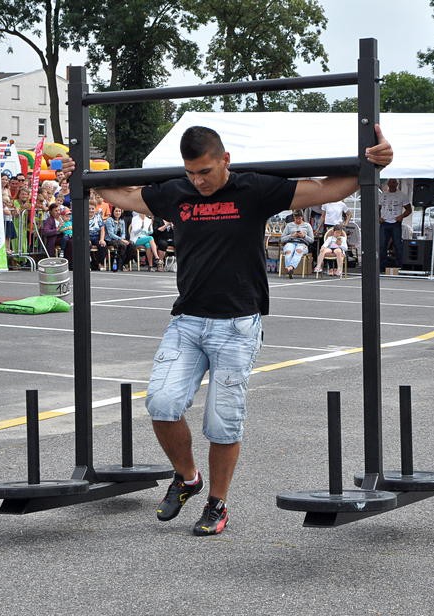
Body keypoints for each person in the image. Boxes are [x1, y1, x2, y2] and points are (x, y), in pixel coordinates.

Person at [92, 124, 393, 535]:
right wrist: (84, 173)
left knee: (222, 422)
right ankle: (188, 478)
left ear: (225, 161)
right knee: (161, 404)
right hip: (187, 321)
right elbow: (122, 194)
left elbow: (329, 189)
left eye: (205, 172)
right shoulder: (176, 193)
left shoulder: (255, 190)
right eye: (191, 173)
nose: (198, 181)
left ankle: (217, 504)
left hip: (237, 324)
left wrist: (371, 162)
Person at [379, 178, 411, 273]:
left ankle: (399, 266)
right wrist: (378, 218)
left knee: (397, 244)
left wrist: (401, 216)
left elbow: (409, 210)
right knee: (382, 245)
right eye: (390, 182)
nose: (392, 184)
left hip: (395, 223)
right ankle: (381, 266)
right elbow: (377, 208)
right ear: (388, 184)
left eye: (394, 182)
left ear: (397, 184)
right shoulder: (383, 195)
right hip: (384, 222)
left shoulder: (402, 195)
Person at [279, 210, 314, 278]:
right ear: (294, 217)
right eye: (296, 218)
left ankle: (290, 267)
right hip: (291, 242)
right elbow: (282, 239)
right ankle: (290, 269)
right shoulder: (289, 225)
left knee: (298, 250)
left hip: (302, 243)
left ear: (302, 217)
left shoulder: (307, 225)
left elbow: (312, 240)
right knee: (288, 251)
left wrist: (304, 236)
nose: (298, 220)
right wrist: (291, 235)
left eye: (299, 218)